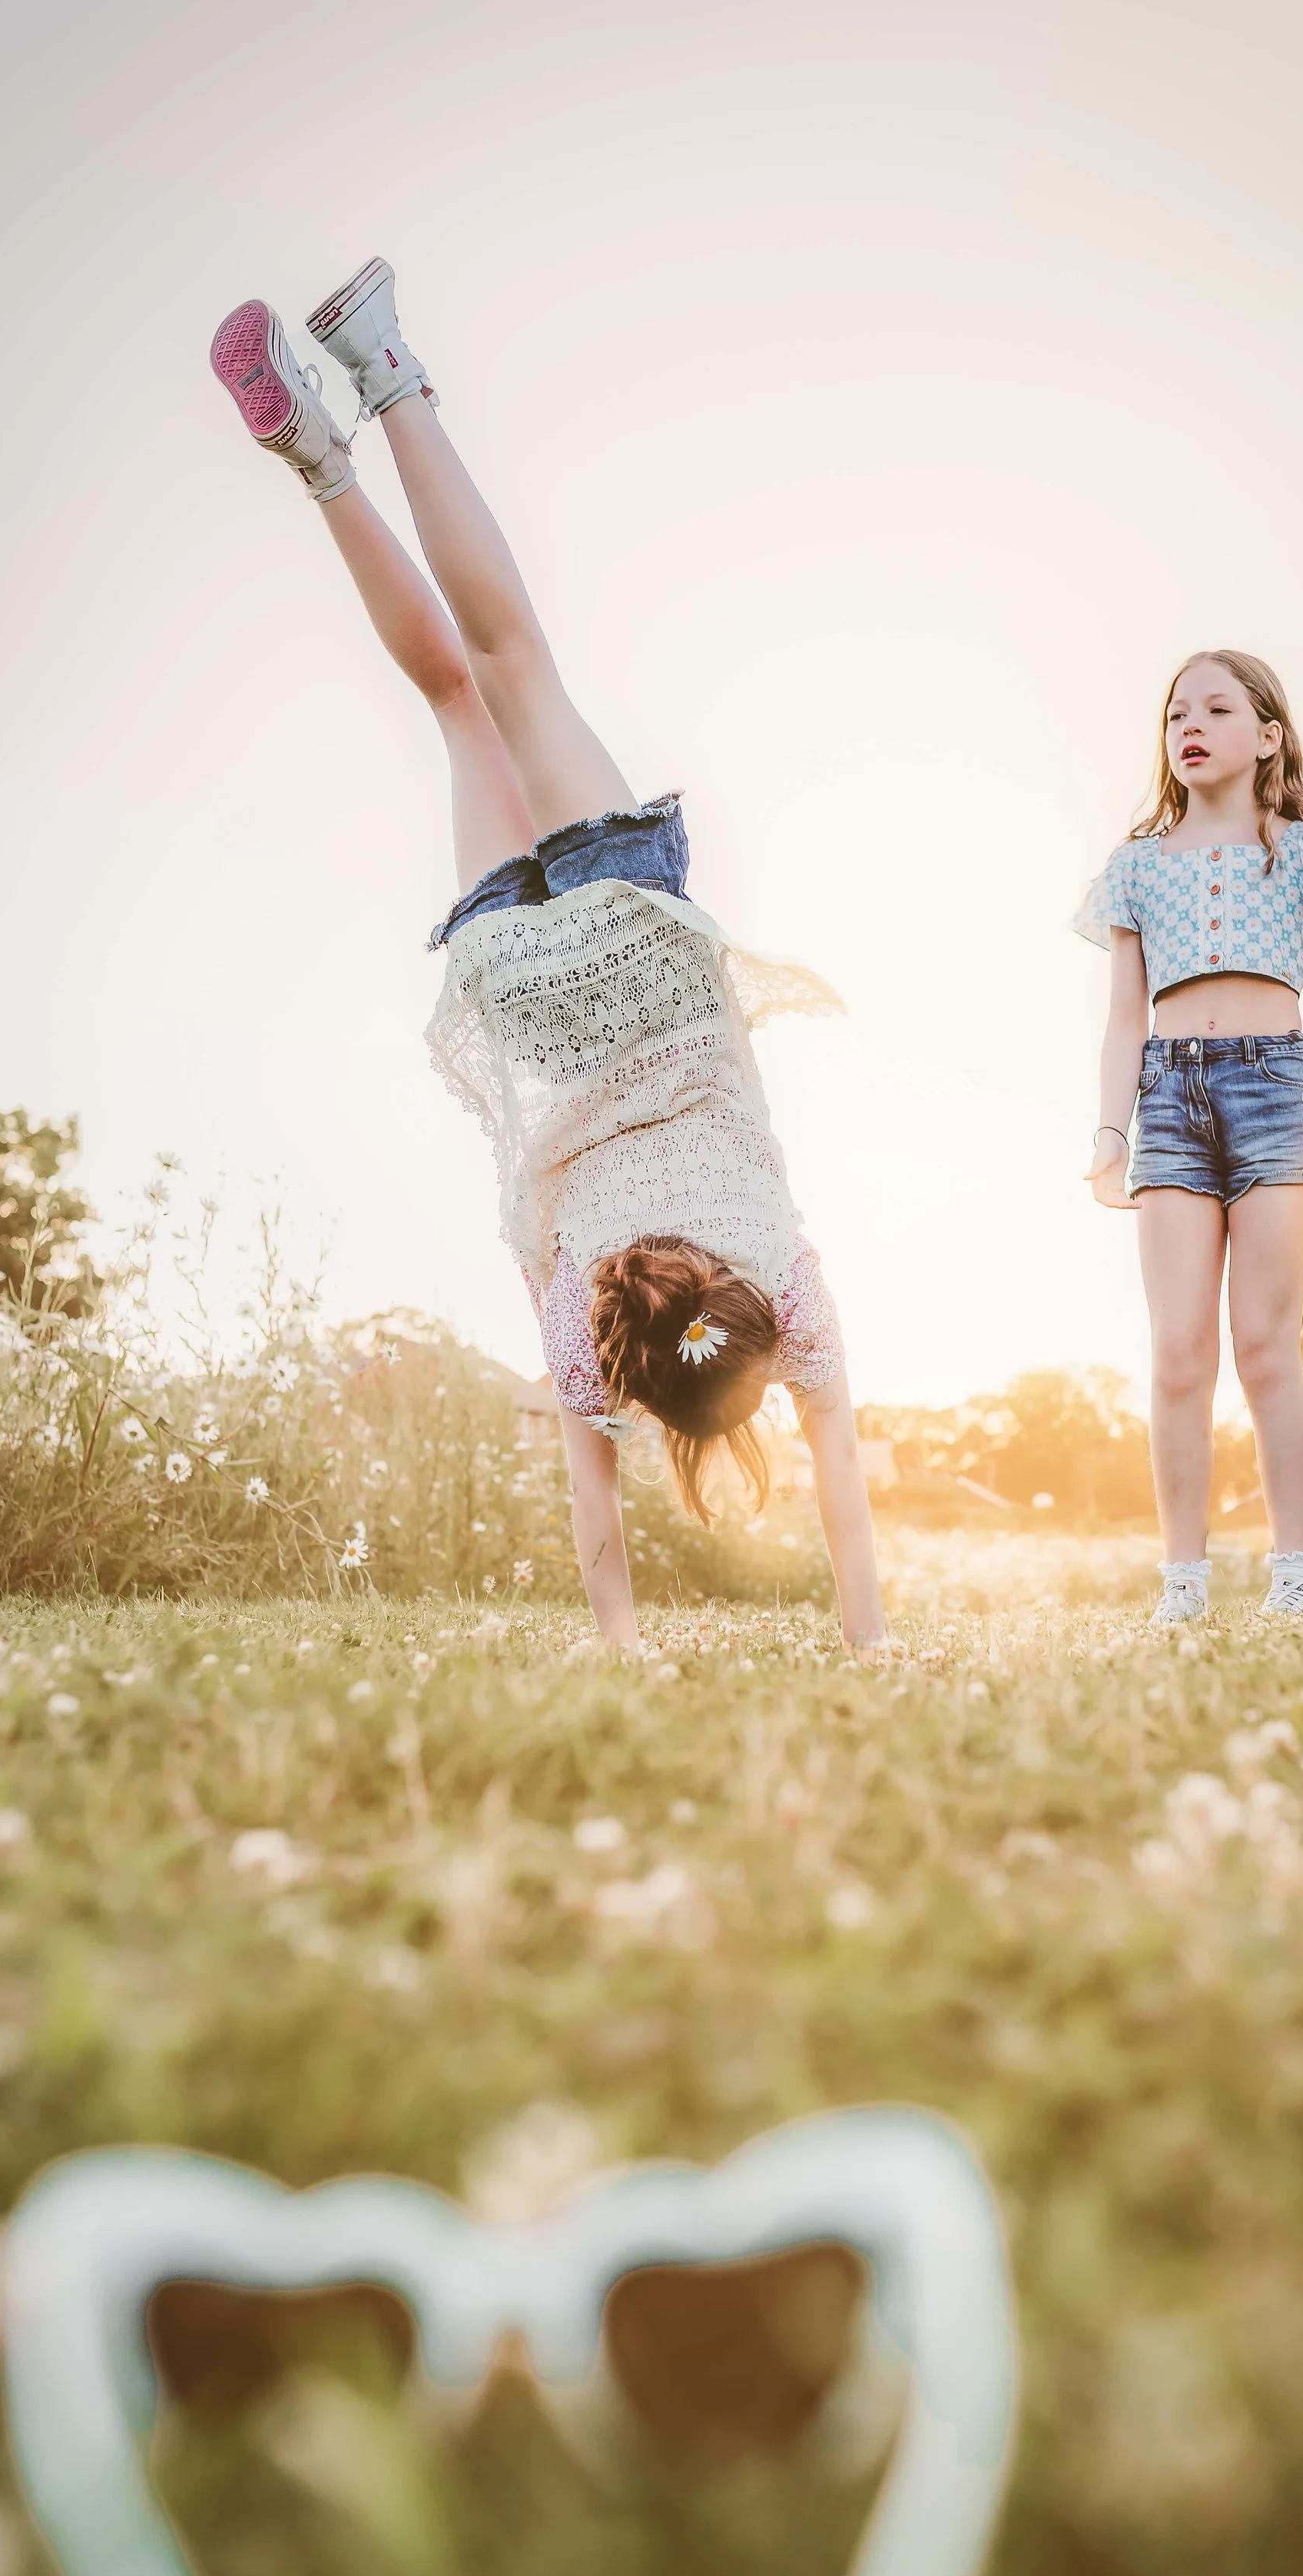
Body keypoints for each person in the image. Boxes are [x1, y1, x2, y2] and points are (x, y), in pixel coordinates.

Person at [209, 261, 885, 1653]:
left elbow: (849, 1502)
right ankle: (313, 456)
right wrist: (621, 1641)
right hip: (528, 991)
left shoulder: (786, 1289)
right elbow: (599, 1527)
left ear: (751, 1339)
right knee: (458, 702)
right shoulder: (600, 1341)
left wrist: (871, 1635)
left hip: (636, 951)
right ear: (663, 1389)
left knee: (514, 662)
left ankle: (382, 369)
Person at [1075, 650, 1303, 1622]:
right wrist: (1108, 1133)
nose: (1190, 723)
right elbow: (1122, 1022)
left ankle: (1295, 1578)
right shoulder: (1135, 868)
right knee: (1179, 1351)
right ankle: (1182, 1583)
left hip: (1276, 1091)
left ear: (1266, 736)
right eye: (1177, 711)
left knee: (1266, 1349)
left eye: (1217, 708)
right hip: (1168, 1106)